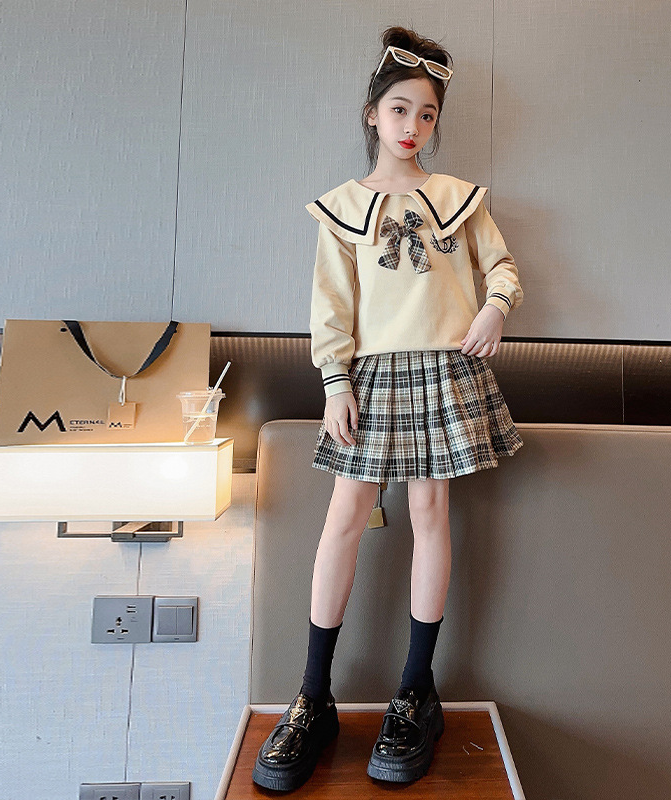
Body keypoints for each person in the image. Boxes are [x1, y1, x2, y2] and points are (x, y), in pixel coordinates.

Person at [253, 25, 523, 791]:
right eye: (400, 109)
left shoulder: (459, 199)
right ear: (372, 113)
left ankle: (414, 691)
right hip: (371, 379)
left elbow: (503, 267)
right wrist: (334, 383)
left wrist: (495, 307)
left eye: (427, 113)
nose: (413, 126)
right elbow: (331, 307)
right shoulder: (342, 209)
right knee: (345, 518)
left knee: (431, 514)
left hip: (444, 372)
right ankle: (312, 697)